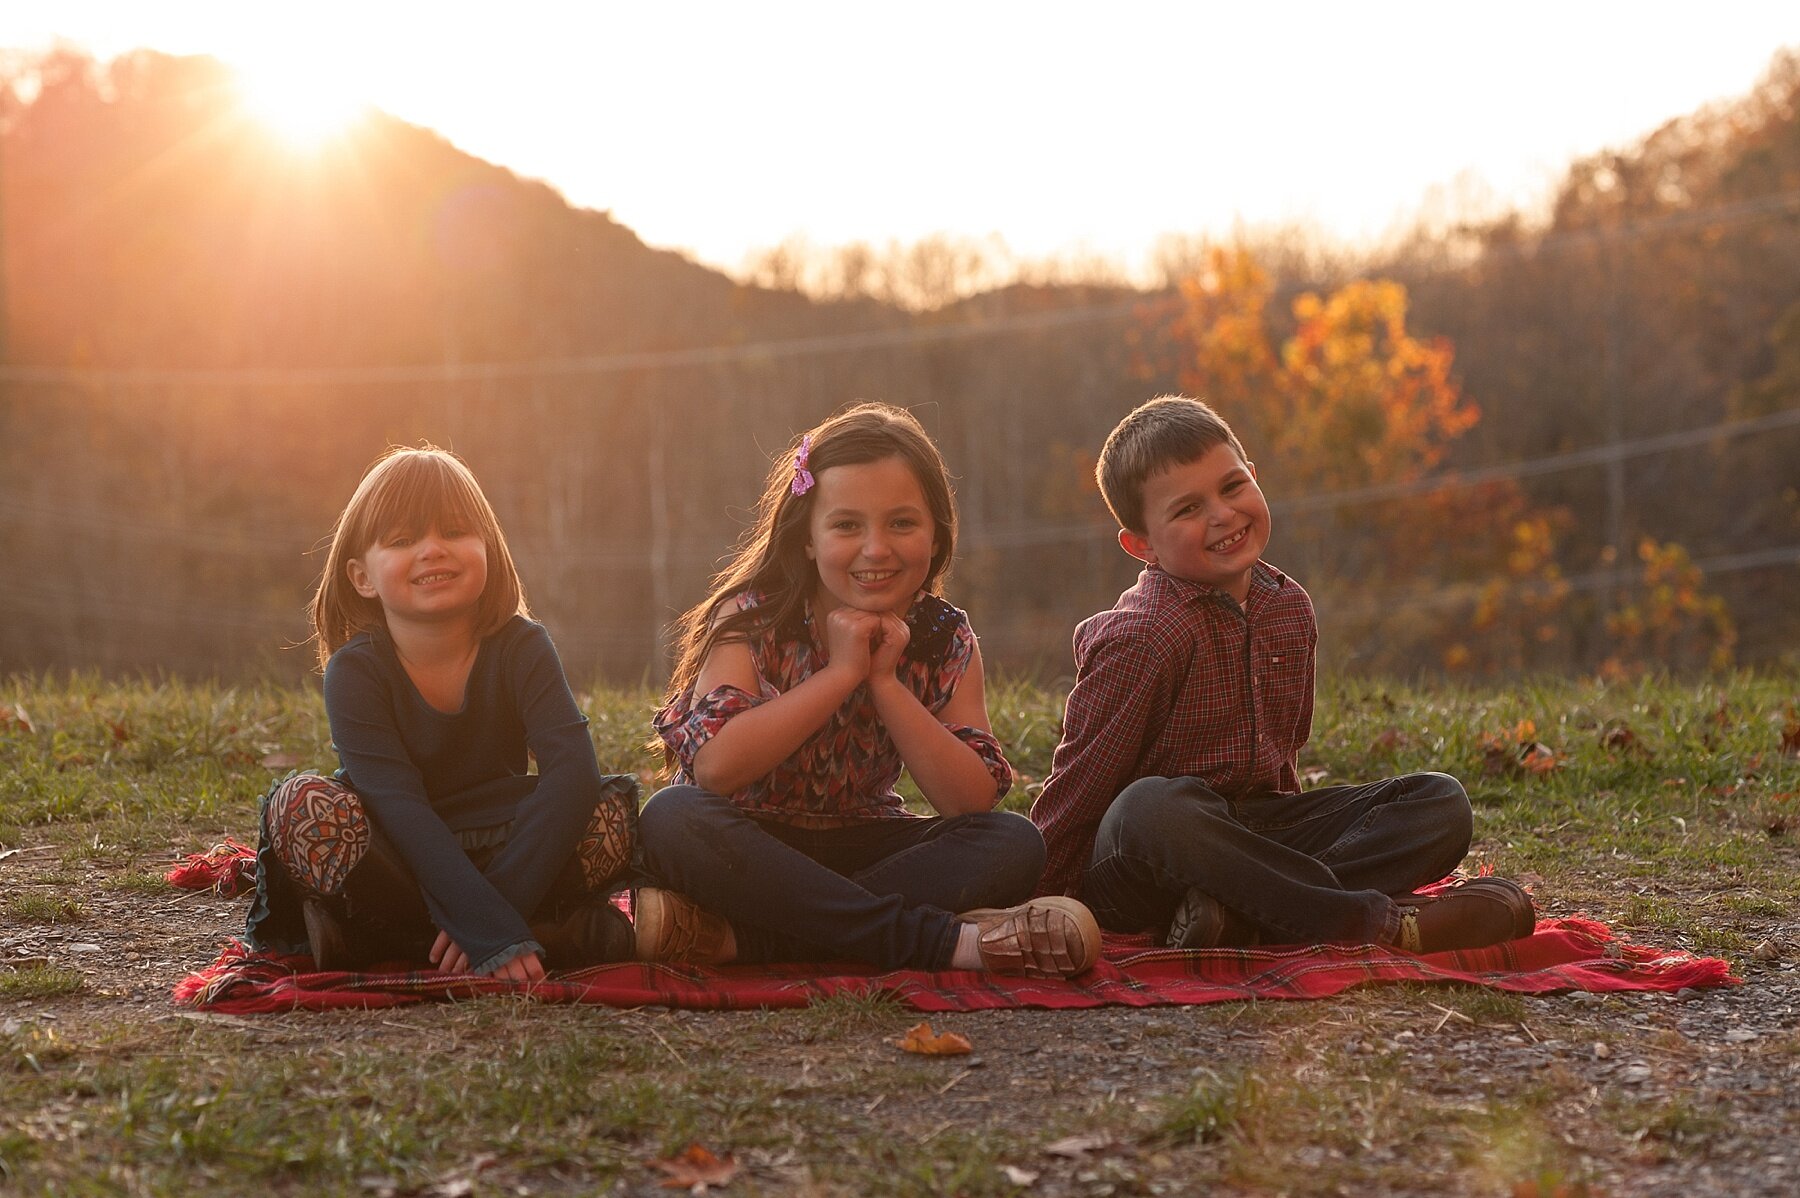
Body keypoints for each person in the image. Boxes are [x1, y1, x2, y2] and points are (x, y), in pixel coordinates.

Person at [1030, 396, 1536, 953]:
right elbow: (1079, 787)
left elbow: (1282, 767)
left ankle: (1244, 917)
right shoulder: (1144, 636)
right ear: (1141, 544)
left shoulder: (1288, 607)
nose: (1222, 515)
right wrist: (1039, 902)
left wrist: (1282, 854)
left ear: (1254, 476)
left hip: (1252, 835)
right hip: (1148, 859)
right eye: (1187, 509)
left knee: (1439, 804)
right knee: (1151, 806)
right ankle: (1377, 926)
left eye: (1231, 487)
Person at [639, 402, 1100, 977]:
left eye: (902, 523)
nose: (876, 549)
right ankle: (943, 944)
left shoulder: (944, 637)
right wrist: (841, 673)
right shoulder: (752, 617)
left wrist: (883, 679)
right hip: (748, 844)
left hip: (864, 843)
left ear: (935, 535)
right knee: (671, 817)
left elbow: (969, 800)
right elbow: (715, 768)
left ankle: (756, 939)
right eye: (847, 525)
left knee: (1013, 842)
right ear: (807, 538)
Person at [244, 446, 637, 979]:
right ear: (362, 577)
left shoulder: (524, 647)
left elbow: (573, 773)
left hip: (504, 837)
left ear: (488, 551)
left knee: (609, 819)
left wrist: (495, 910)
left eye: (453, 532)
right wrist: (491, 930)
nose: (433, 550)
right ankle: (553, 936)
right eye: (404, 540)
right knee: (302, 805)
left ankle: (380, 941)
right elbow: (399, 807)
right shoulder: (355, 672)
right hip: (399, 852)